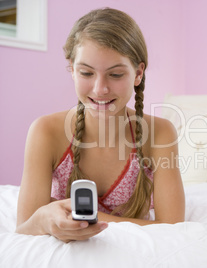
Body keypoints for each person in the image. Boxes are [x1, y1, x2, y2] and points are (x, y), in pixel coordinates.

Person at [15, 7, 185, 243]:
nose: (100, 89)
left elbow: (173, 227)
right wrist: (44, 217)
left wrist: (87, 216)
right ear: (72, 70)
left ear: (138, 74)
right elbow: (24, 226)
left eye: (115, 75)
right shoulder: (45, 132)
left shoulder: (160, 133)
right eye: (86, 73)